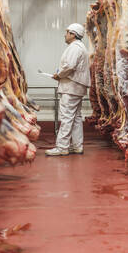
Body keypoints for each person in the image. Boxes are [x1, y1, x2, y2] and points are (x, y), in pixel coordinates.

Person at [45, 23, 90, 156]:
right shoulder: (80, 47)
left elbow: (70, 66)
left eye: (67, 32)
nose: (65, 35)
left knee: (66, 117)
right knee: (76, 117)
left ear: (73, 34)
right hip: (76, 87)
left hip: (71, 87)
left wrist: (58, 75)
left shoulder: (75, 47)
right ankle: (77, 146)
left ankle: (62, 147)